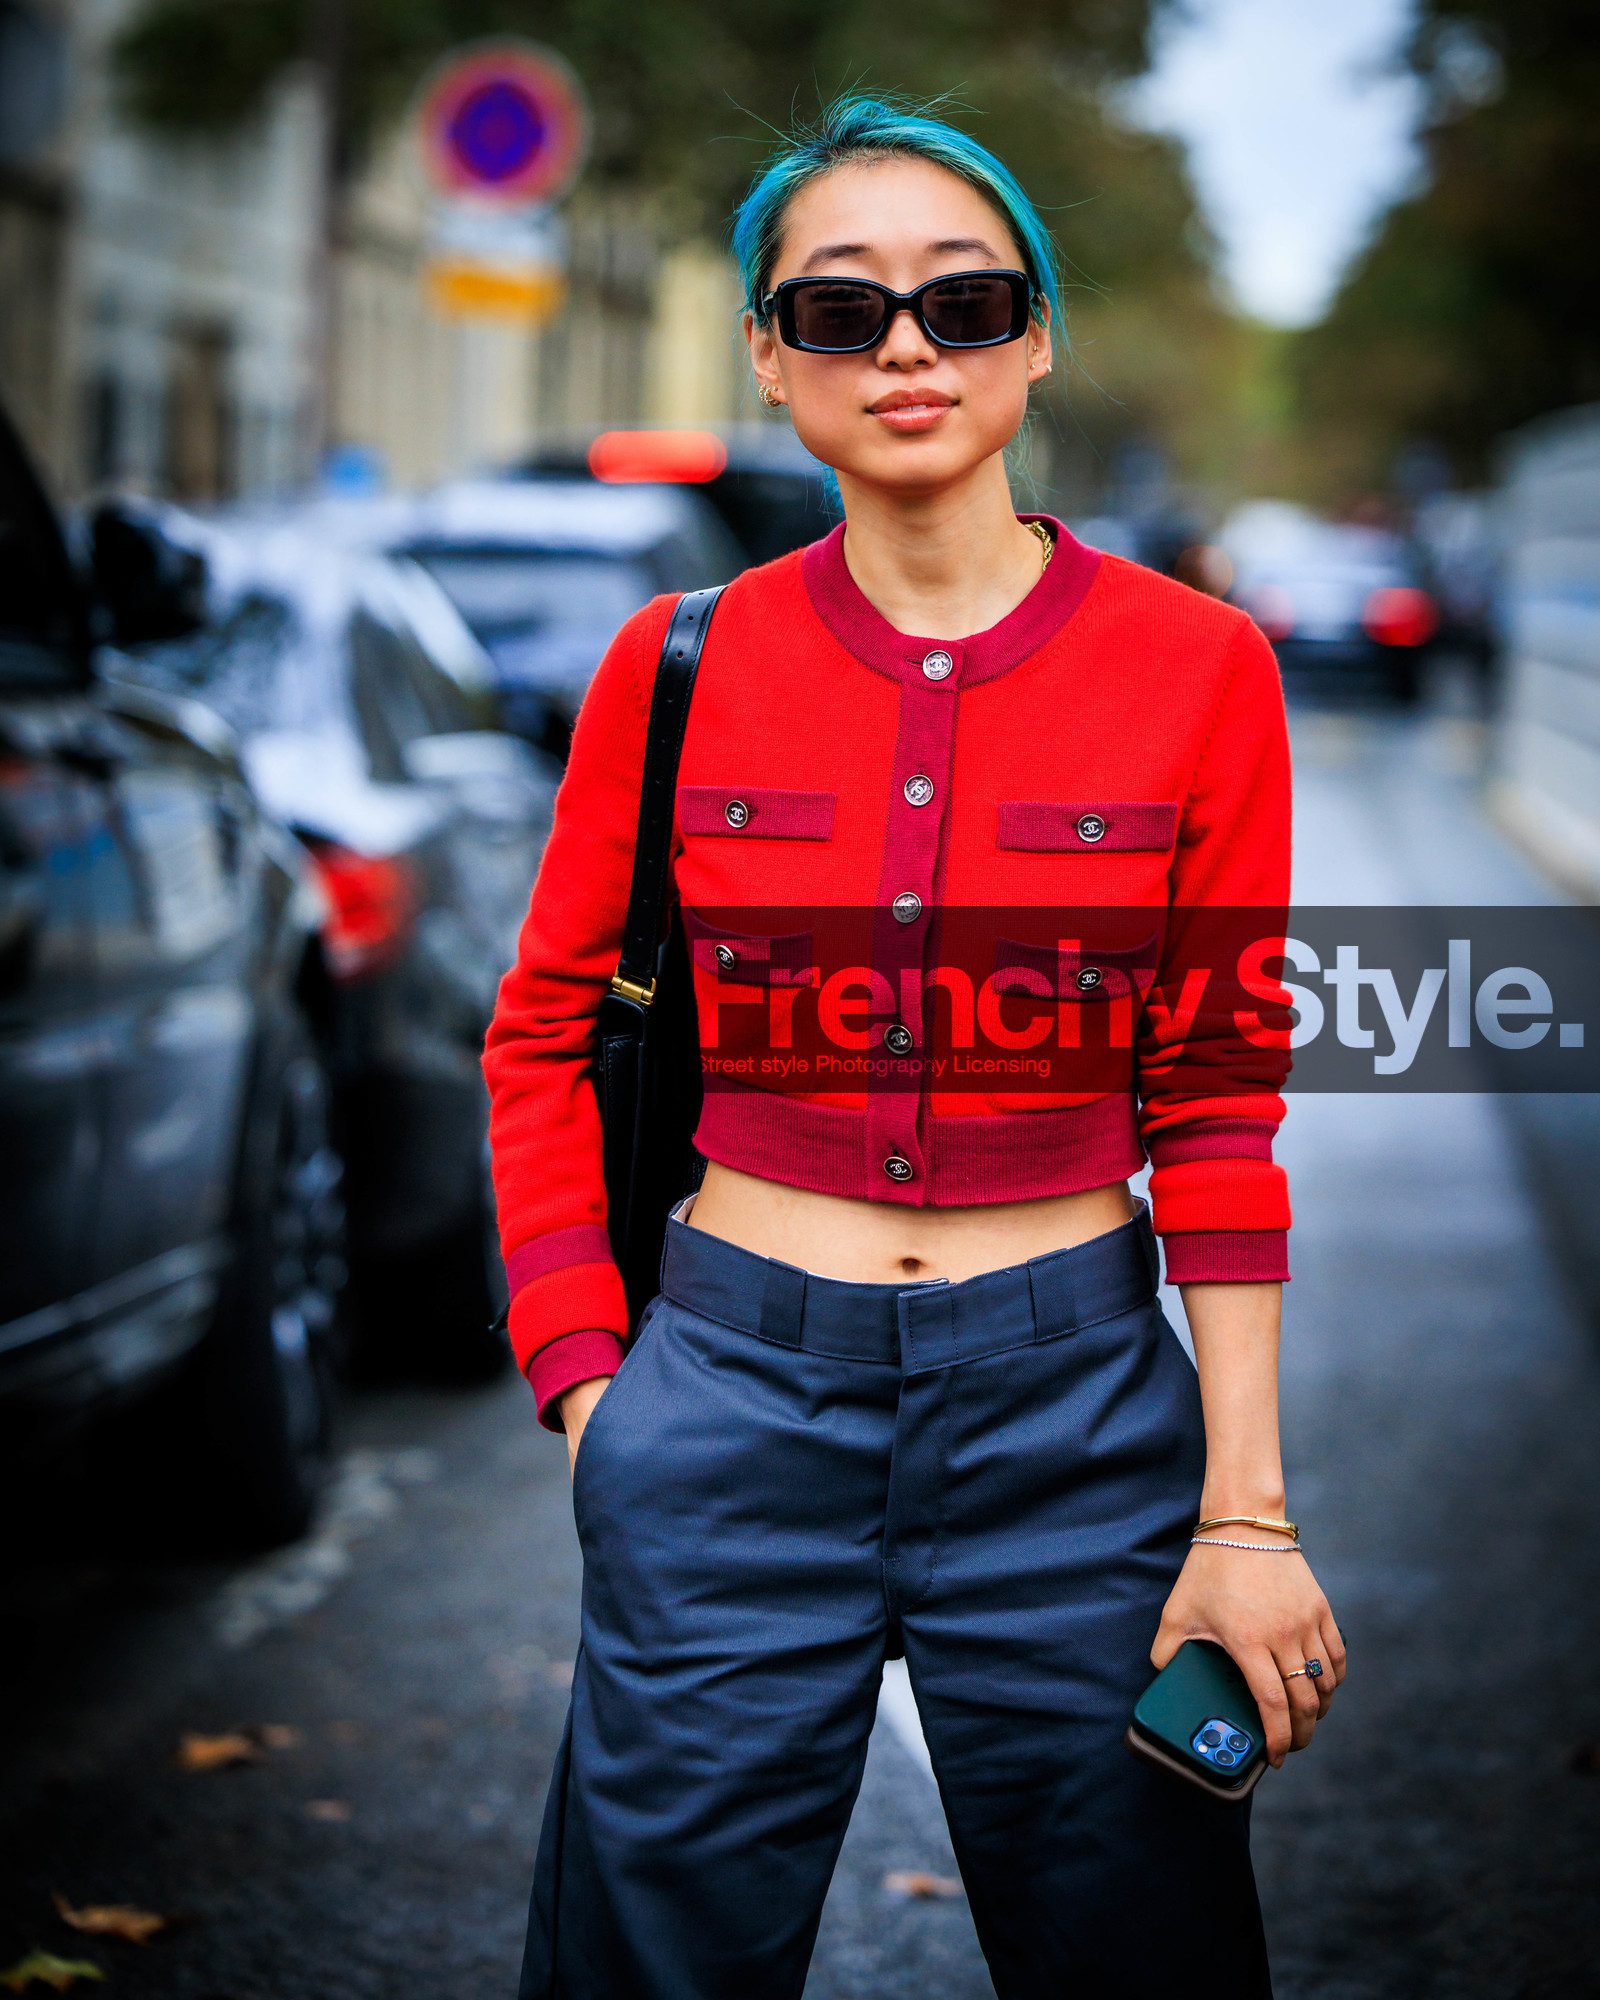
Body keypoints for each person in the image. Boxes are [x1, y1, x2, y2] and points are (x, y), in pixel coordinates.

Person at [486, 93, 1343, 2000]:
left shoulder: (1202, 669)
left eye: (965, 303)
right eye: (839, 308)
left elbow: (1220, 1094)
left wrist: (1246, 1512)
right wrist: (590, 1388)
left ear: (1034, 342)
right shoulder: (673, 664)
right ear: (768, 358)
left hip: (1076, 1429)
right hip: (724, 1407)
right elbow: (543, 1032)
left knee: (1142, 1958)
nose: (905, 349)